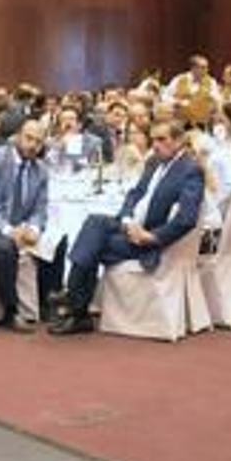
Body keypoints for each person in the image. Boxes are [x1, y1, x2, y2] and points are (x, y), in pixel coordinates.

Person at [49, 120, 205, 335]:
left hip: (149, 241)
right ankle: (77, 305)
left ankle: (75, 303)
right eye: (153, 140)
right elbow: (135, 194)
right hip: (132, 227)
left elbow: (187, 218)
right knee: (94, 222)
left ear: (178, 141)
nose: (156, 145)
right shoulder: (153, 162)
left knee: (94, 244)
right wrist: (126, 219)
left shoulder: (190, 170)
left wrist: (151, 236)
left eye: (162, 140)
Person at [0, 117, 61, 331]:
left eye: (38, 142)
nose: (32, 145)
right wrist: (8, 230)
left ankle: (47, 302)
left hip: (22, 227)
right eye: (29, 138)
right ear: (18, 137)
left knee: (59, 241)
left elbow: (41, 208)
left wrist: (34, 228)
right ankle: (10, 311)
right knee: (5, 248)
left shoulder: (41, 170)